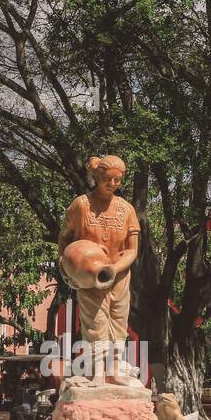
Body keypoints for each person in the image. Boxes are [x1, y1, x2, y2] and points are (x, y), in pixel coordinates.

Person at [57, 154, 140, 385]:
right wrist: (68, 269)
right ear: (96, 176)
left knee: (118, 322)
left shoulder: (127, 210)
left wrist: (113, 269)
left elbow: (132, 251)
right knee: (95, 324)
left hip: (119, 276)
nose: (113, 184)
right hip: (89, 276)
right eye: (107, 179)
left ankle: (113, 371)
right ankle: (98, 375)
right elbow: (63, 241)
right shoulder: (81, 206)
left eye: (117, 180)